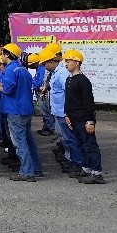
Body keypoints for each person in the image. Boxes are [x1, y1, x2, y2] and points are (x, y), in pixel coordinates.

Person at [0, 43, 43, 181]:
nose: (1, 56)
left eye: (3, 53)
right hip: (26, 109)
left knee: (19, 142)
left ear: (8, 55)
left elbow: (8, 90)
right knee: (28, 140)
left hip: (15, 111)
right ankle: (36, 168)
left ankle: (27, 172)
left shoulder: (10, 70)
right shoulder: (22, 69)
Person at [38, 46, 83, 176]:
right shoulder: (56, 73)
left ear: (51, 62)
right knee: (65, 138)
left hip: (64, 112)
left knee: (70, 139)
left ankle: (77, 163)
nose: (44, 66)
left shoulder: (62, 73)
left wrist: (68, 112)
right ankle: (72, 160)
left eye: (44, 63)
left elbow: (70, 91)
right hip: (58, 112)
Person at [63, 49, 105, 184]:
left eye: (68, 61)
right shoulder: (69, 79)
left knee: (90, 145)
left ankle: (97, 173)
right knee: (80, 144)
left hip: (83, 119)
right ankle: (86, 169)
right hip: (73, 119)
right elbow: (68, 100)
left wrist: (90, 121)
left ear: (77, 62)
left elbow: (88, 101)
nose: (66, 63)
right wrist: (67, 115)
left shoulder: (83, 80)